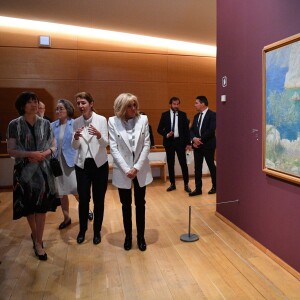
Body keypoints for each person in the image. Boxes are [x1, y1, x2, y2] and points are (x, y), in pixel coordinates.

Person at [6, 91, 57, 261]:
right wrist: (30, 153)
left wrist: (44, 153)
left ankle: (38, 242)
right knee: (29, 207)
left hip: (43, 171)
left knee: (41, 207)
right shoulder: (14, 124)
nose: (34, 104)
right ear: (22, 106)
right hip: (24, 173)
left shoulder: (45, 124)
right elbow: (11, 150)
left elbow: (53, 146)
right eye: (29, 102)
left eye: (35, 101)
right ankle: (35, 235)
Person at [108, 93, 153, 251]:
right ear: (121, 107)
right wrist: (127, 169)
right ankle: (128, 237)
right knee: (126, 205)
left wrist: (137, 167)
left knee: (140, 204)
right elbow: (113, 147)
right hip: (123, 171)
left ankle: (141, 237)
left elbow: (147, 145)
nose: (133, 108)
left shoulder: (143, 120)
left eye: (135, 105)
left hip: (140, 169)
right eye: (129, 106)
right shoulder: (113, 121)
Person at [71, 92, 109, 245]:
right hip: (82, 164)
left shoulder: (101, 120)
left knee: (99, 200)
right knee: (84, 199)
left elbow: (105, 143)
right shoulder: (76, 122)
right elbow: (75, 146)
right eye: (78, 103)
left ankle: (97, 231)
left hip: (99, 164)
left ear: (91, 104)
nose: (80, 106)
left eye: (83, 103)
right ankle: (82, 230)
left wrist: (99, 135)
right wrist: (75, 138)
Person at [51, 99, 78, 229]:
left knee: (75, 188)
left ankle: (87, 210)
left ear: (68, 110)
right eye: (57, 109)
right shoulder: (52, 125)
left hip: (71, 161)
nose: (58, 111)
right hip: (57, 162)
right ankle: (66, 218)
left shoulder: (75, 123)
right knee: (61, 191)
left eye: (61, 108)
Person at [157, 96, 191, 193]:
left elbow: (186, 131)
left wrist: (188, 143)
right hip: (169, 143)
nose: (176, 106)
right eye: (174, 104)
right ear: (170, 104)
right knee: (171, 164)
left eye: (177, 104)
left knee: (183, 164)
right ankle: (172, 184)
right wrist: (167, 134)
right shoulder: (165, 115)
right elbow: (159, 129)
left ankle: (186, 184)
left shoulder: (183, 115)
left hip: (180, 142)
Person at [189, 95, 216, 196]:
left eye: (196, 103)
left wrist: (199, 140)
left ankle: (215, 186)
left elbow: (211, 130)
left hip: (208, 145)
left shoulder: (212, 115)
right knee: (197, 168)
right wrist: (194, 140)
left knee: (211, 166)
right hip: (197, 146)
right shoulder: (196, 116)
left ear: (203, 104)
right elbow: (191, 130)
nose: (194, 105)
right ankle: (198, 189)